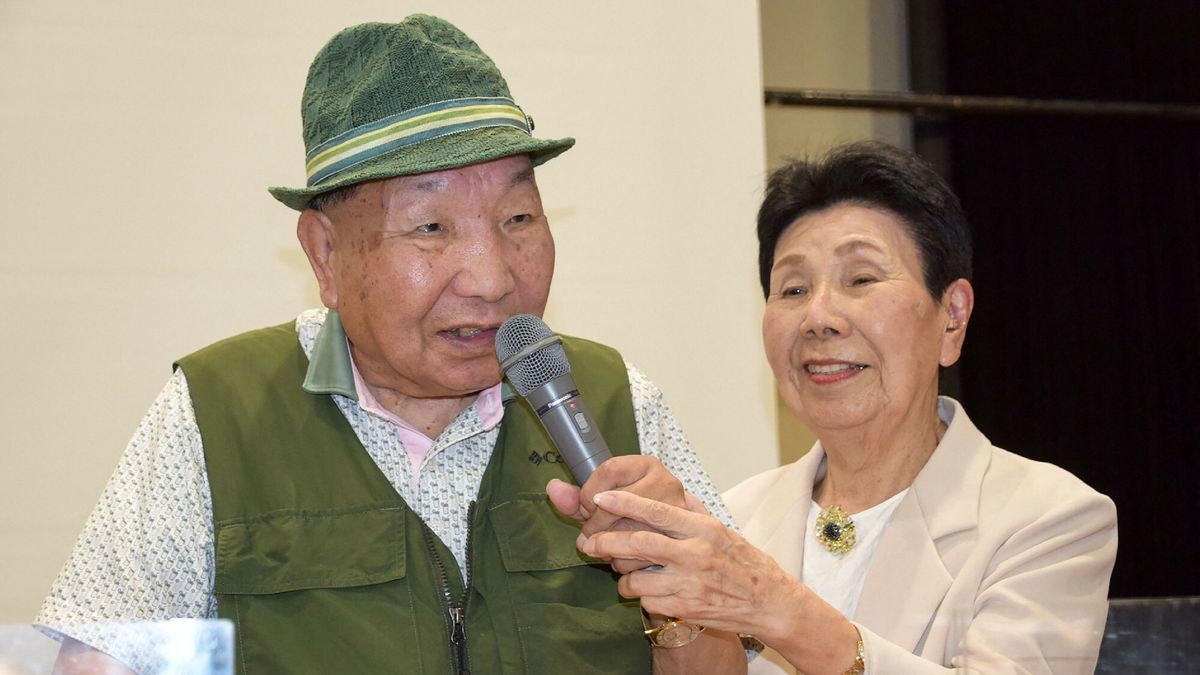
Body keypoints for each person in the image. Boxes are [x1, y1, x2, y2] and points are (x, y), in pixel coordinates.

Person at [36, 16, 742, 674]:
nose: (493, 278)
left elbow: (733, 660)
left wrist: (677, 607)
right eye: (431, 228)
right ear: (325, 254)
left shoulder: (617, 403)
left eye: (518, 216)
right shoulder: (216, 417)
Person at [572, 141, 1119, 674]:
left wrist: (781, 608)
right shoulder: (736, 518)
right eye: (791, 290)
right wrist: (670, 606)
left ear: (951, 317)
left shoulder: (1050, 519)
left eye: (861, 279)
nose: (819, 317)